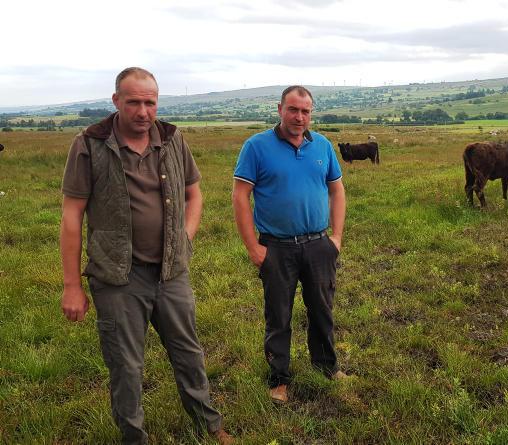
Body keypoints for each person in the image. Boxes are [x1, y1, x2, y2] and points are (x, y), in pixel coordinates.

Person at [59, 67, 233, 445]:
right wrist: (72, 286)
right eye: (134, 102)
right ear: (116, 101)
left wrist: (184, 239)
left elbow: (194, 193)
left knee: (188, 353)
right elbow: (72, 216)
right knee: (125, 365)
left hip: (171, 272)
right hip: (117, 276)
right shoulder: (90, 144)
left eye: (150, 103)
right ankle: (134, 437)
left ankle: (210, 426)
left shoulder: (171, 138)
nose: (143, 112)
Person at [232, 85, 347, 403]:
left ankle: (326, 367)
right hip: (277, 247)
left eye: (305, 111)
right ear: (280, 109)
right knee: (278, 315)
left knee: (322, 309)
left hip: (318, 244)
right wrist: (253, 247)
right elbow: (240, 196)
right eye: (293, 110)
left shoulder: (322, 146)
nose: (299, 117)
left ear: (311, 113)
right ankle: (279, 379)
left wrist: (336, 237)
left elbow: (337, 190)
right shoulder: (256, 146)